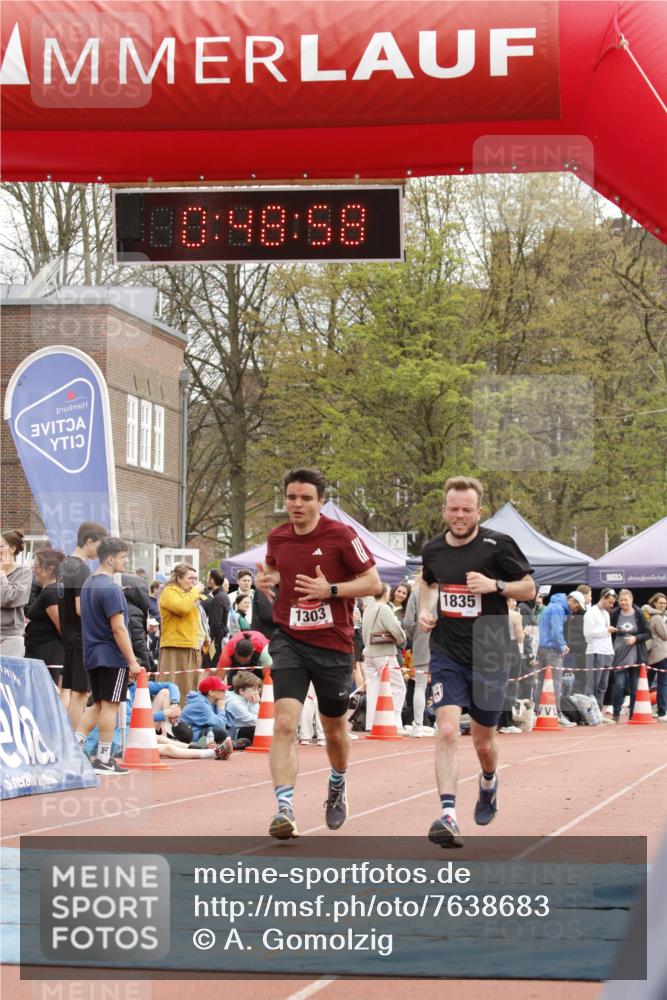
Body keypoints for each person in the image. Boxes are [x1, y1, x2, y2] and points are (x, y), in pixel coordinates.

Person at [255, 467, 381, 840]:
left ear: (320, 501)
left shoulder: (340, 535)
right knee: (284, 724)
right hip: (290, 638)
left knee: (335, 732)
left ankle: (337, 782)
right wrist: (269, 579)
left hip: (333, 644)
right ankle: (284, 808)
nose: (297, 504)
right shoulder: (277, 537)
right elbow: (276, 570)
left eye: (305, 498)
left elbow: (374, 582)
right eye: (292, 497)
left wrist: (332, 591)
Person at [418, 476, 535, 848]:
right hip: (447, 650)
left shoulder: (498, 546)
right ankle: (448, 815)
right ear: (444, 510)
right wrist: (425, 609)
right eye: (453, 508)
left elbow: (530, 589)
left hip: (489, 648)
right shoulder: (433, 549)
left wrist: (495, 586)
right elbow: (427, 582)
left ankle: (488, 781)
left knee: (484, 741)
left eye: (467, 509)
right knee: (448, 730)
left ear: (478, 512)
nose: (460, 515)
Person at [74, 537, 141, 774]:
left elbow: (81, 611)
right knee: (110, 706)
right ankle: (103, 757)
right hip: (111, 655)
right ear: (111, 558)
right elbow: (119, 628)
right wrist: (132, 661)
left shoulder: (88, 584)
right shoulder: (111, 588)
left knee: (99, 704)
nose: (126, 560)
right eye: (123, 557)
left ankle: (74, 749)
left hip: (92, 653)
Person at [56, 521, 109, 728]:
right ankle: (73, 745)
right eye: (100, 545)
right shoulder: (82, 570)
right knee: (80, 694)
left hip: (69, 638)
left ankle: (68, 741)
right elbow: (81, 608)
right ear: (89, 541)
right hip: (80, 639)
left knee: (69, 692)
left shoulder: (64, 566)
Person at [534, 591, 586, 727]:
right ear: (572, 601)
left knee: (541, 683)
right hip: (552, 650)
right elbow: (556, 631)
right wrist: (562, 646)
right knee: (555, 684)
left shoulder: (553, 605)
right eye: (577, 606)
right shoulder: (558, 608)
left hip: (542, 648)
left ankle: (537, 713)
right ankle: (556, 714)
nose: (575, 610)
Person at [362, 582, 407, 735]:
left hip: (368, 652)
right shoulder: (384, 608)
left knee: (373, 689)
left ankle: (371, 723)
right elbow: (397, 632)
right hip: (384, 652)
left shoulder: (368, 609)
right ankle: (394, 721)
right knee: (398, 686)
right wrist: (402, 638)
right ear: (386, 594)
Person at [159, 563, 206, 694]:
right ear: (179, 579)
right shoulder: (169, 591)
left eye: (195, 579)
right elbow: (182, 607)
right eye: (190, 578)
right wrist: (195, 591)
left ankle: (184, 713)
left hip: (191, 645)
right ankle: (170, 713)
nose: (194, 582)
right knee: (173, 687)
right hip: (175, 646)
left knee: (188, 687)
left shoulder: (188, 594)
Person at [24, 548, 66, 685]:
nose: (34, 570)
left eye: (36, 566)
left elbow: (63, 627)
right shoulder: (47, 591)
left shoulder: (52, 593)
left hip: (49, 655)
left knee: (49, 696)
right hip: (39, 653)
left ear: (49, 569)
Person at [610, 588, 651, 723]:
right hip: (619, 655)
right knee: (619, 685)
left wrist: (636, 638)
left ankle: (632, 713)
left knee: (634, 688)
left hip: (636, 656)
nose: (623, 602)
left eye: (625, 600)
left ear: (631, 600)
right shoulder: (614, 614)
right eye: (621, 600)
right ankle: (616, 713)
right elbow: (609, 630)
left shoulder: (639, 614)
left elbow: (648, 633)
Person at [403, 573, 434, 737]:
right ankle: (447, 724)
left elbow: (408, 621)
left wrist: (413, 636)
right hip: (445, 643)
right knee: (445, 683)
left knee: (420, 686)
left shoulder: (416, 593)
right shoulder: (445, 592)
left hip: (421, 641)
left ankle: (418, 725)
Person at [179, 675, 234, 757]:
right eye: (222, 690)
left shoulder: (212, 701)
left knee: (232, 729)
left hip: (203, 732)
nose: (225, 692)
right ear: (211, 692)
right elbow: (220, 725)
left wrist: (222, 707)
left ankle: (229, 745)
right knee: (218, 730)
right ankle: (228, 746)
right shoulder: (200, 703)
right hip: (191, 736)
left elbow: (229, 722)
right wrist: (221, 708)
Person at [0, 529, 33, 656]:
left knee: (7, 676)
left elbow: (10, 599)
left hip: (10, 638)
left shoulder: (24, 573)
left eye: (1, 546)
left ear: (12, 549)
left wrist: (2, 574)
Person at [583, 588, 617, 709]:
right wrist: (606, 630)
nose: (612, 605)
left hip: (607, 651)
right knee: (593, 684)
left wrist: (611, 651)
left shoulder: (606, 613)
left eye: (613, 603)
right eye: (610, 602)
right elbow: (587, 633)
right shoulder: (591, 612)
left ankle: (598, 711)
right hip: (595, 651)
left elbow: (605, 633)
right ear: (603, 598)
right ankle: (588, 713)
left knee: (603, 685)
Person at [201, 569, 231, 667]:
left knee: (209, 668)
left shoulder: (218, 598)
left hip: (215, 643)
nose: (207, 580)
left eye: (208, 578)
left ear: (212, 580)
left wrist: (210, 642)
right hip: (218, 640)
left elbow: (215, 623)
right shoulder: (222, 596)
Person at [223, 669, 262, 743]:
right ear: (241, 691)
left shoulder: (249, 698)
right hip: (234, 732)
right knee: (258, 729)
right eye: (254, 689)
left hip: (245, 728)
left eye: (257, 690)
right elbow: (253, 721)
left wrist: (255, 703)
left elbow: (258, 716)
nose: (256, 693)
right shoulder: (234, 703)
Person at [645, 592, 667, 722]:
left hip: (652, 654)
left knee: (647, 683)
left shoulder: (650, 615)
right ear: (654, 603)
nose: (663, 605)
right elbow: (664, 635)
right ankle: (662, 712)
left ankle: (637, 706)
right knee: (663, 684)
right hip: (661, 655)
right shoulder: (657, 617)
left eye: (665, 603)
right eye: (660, 603)